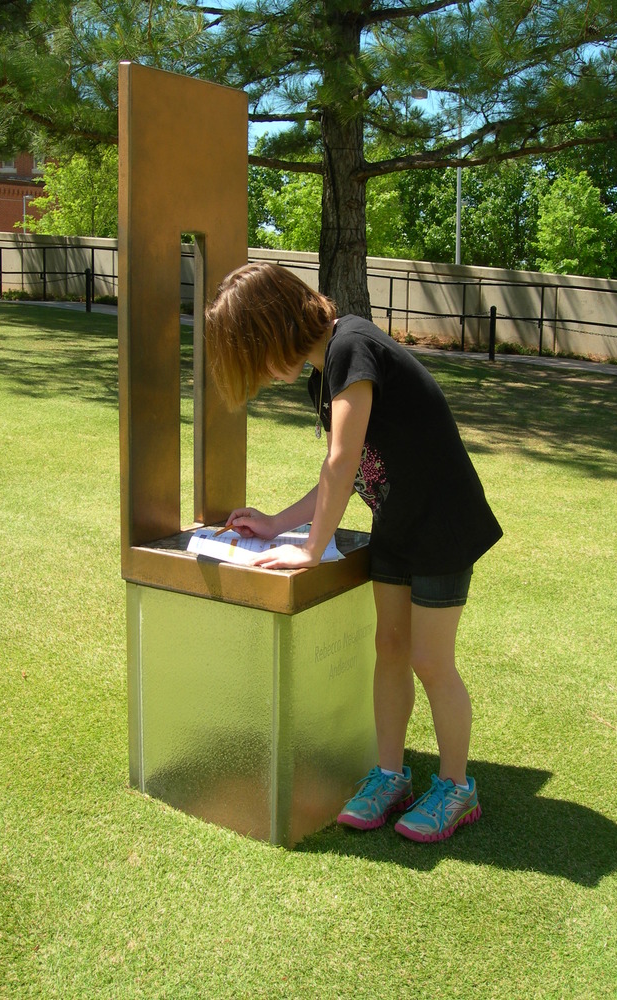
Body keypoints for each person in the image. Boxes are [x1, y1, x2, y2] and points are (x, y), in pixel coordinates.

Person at [205, 261, 502, 843]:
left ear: (275, 328)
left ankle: (456, 788)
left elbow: (342, 462)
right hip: (397, 522)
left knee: (430, 660)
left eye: (254, 351)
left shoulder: (351, 346)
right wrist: (276, 523)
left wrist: (311, 549)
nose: (261, 371)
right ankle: (390, 775)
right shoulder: (325, 373)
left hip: (441, 525)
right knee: (389, 647)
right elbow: (343, 472)